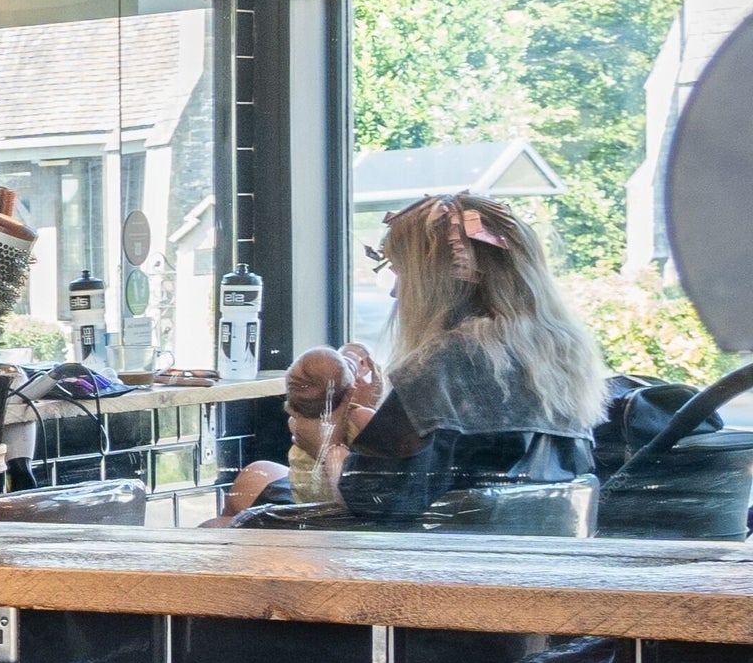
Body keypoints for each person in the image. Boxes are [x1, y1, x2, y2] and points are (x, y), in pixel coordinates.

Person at [219, 192, 607, 523]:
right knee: (259, 476)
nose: (394, 293)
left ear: (437, 283)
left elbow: (374, 500)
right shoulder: (564, 357)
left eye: (401, 273)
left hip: (434, 555)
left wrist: (326, 442)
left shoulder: (444, 364)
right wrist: (379, 417)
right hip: (520, 547)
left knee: (226, 518)